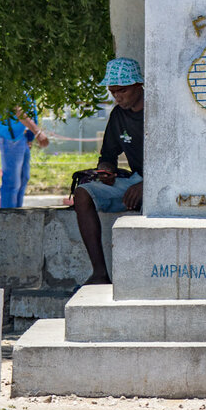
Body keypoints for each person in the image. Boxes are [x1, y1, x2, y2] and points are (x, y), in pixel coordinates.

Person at [73, 58, 144, 285]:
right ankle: (100, 273)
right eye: (113, 92)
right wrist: (105, 171)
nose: (117, 97)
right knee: (83, 193)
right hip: (136, 179)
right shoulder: (117, 116)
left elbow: (179, 160)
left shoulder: (159, 111)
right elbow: (107, 157)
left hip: (165, 183)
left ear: (138, 85)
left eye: (122, 91)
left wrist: (148, 186)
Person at [0, 98, 50, 208]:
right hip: (10, 136)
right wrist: (37, 132)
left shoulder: (26, 84)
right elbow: (18, 111)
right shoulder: (13, 83)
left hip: (21, 136)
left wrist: (30, 136)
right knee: (12, 183)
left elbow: (30, 109)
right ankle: (8, 218)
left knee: (23, 178)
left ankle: (17, 215)